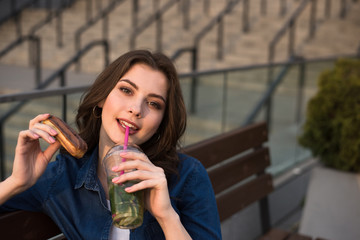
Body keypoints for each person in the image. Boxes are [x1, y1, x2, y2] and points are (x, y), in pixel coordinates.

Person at [0, 50, 222, 239]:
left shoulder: (187, 175)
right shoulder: (63, 177)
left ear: (161, 122)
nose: (136, 109)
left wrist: (166, 215)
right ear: (102, 97)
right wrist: (16, 182)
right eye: (126, 90)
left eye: (154, 103)